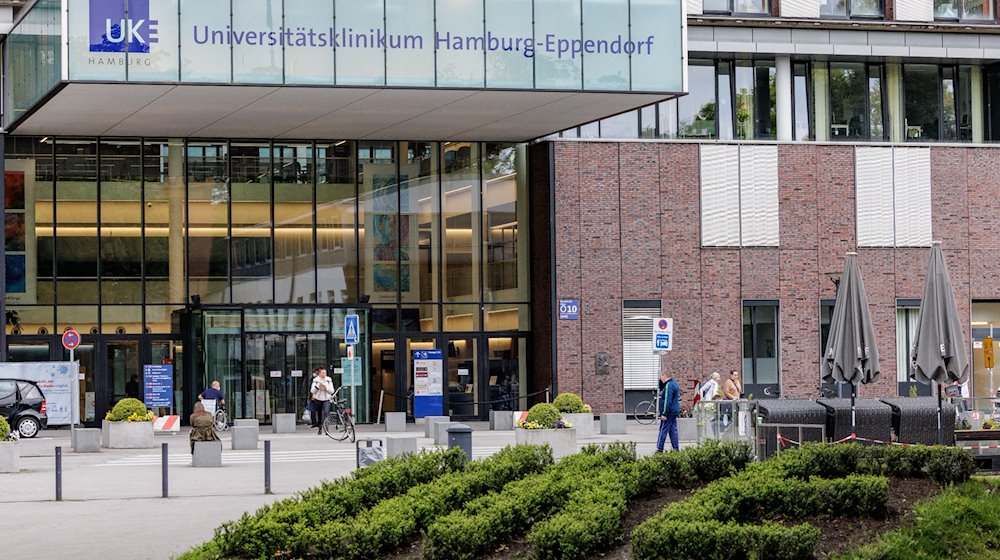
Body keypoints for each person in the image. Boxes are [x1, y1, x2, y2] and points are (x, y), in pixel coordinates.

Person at [656, 371, 680, 452]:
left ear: (665, 375)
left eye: (661, 377)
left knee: (663, 430)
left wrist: (664, 413)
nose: (660, 378)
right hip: (674, 411)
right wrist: (660, 382)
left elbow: (667, 400)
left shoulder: (668, 386)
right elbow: (661, 388)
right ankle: (676, 449)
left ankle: (659, 449)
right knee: (673, 430)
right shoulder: (674, 384)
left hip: (668, 412)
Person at [310, 367, 335, 435]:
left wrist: (326, 388)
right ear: (319, 373)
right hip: (318, 399)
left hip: (326, 399)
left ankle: (326, 429)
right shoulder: (315, 380)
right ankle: (320, 427)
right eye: (323, 373)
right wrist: (318, 387)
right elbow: (312, 391)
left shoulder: (328, 380)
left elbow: (332, 391)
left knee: (326, 413)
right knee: (319, 414)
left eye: (325, 373)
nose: (324, 374)